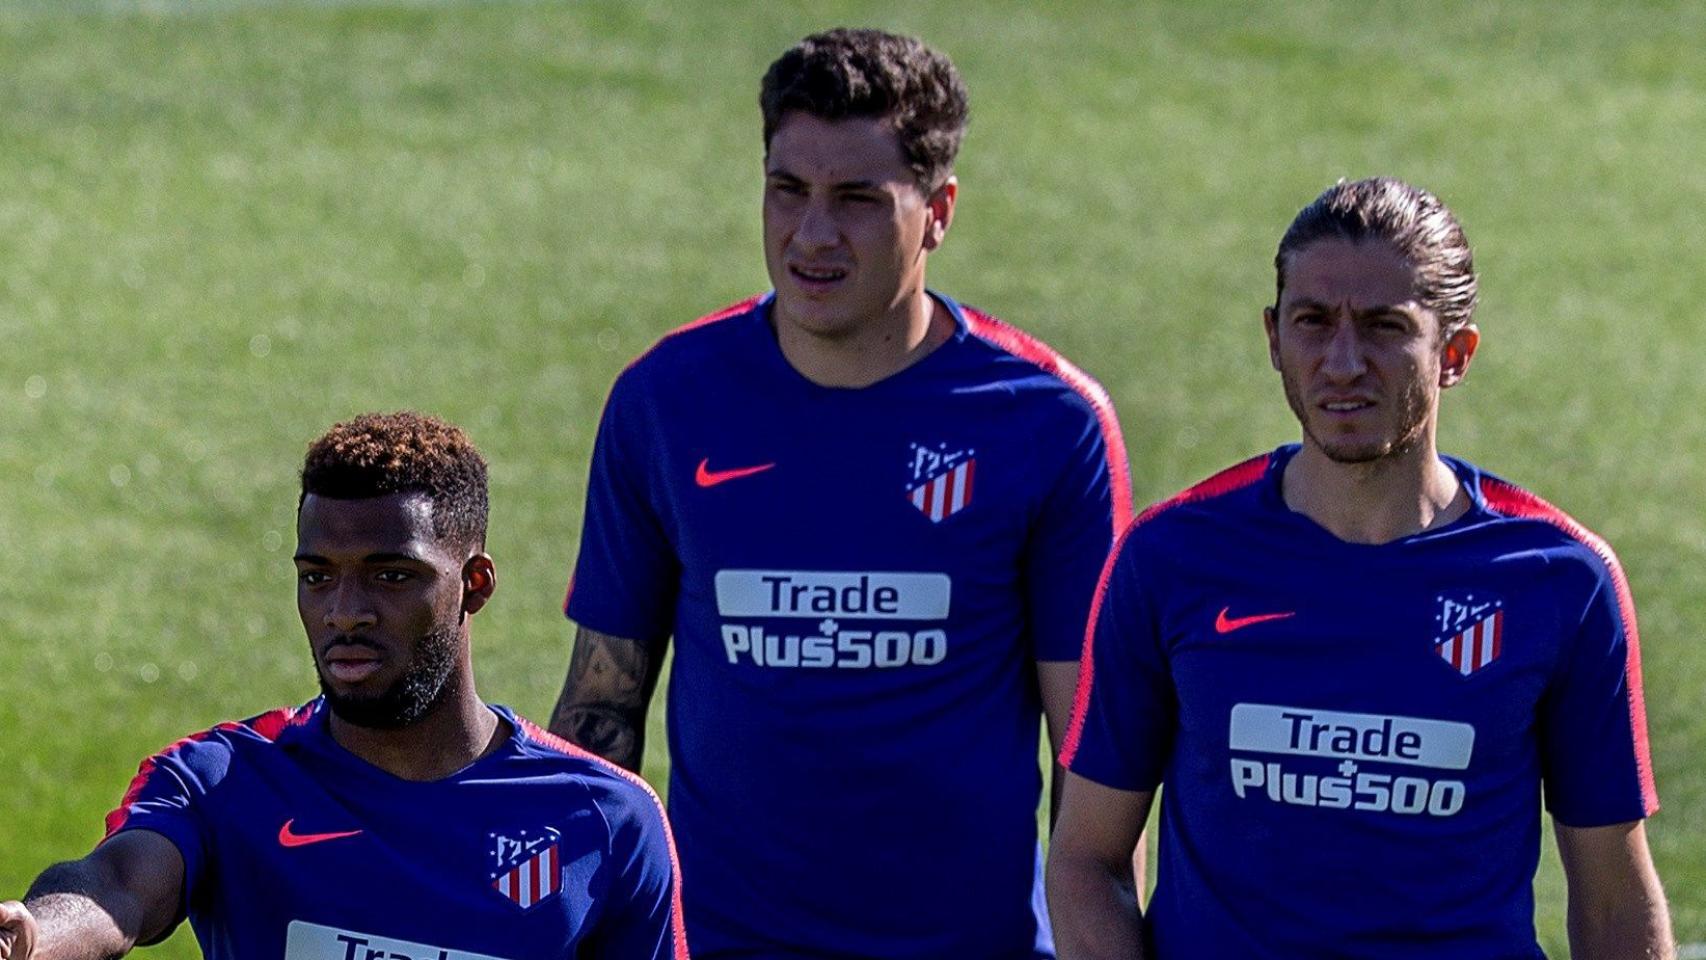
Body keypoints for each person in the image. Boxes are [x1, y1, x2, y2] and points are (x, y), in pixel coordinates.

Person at [549, 28, 1131, 959]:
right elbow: (600, 711)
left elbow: (1095, 762)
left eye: (857, 199)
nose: (812, 234)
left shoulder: (1047, 425)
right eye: (789, 190)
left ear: (938, 211)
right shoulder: (667, 402)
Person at [1046, 177, 1673, 958]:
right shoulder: (1171, 557)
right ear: (1274, 337)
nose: (1343, 362)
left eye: (1384, 327)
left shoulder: (1558, 581)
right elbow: (1085, 859)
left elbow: (1614, 902)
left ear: (1456, 353)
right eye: (1314, 322)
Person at [0, 412, 688, 960]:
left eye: (391, 575)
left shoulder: (606, 820)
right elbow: (116, 885)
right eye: (317, 575)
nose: (344, 610)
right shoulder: (222, 781)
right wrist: (36, 936)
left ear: (472, 586)